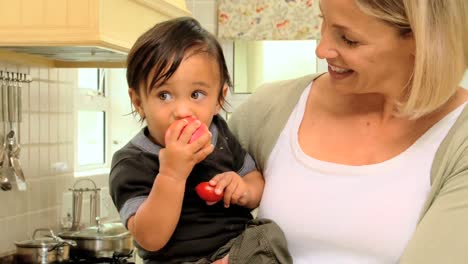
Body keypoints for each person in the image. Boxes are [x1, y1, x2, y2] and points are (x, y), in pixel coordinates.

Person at [228, 0, 468, 263]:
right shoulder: (268, 109)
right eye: (323, 21)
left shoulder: (460, 140)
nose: (321, 49)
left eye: (349, 39)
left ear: (421, 38)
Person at [109, 17, 292, 264]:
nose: (183, 111)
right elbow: (150, 239)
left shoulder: (219, 134)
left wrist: (242, 188)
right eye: (164, 95)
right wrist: (172, 174)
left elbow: (255, 183)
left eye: (197, 94)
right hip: (176, 260)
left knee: (268, 235)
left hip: (234, 250)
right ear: (139, 102)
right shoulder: (131, 162)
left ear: (219, 98)